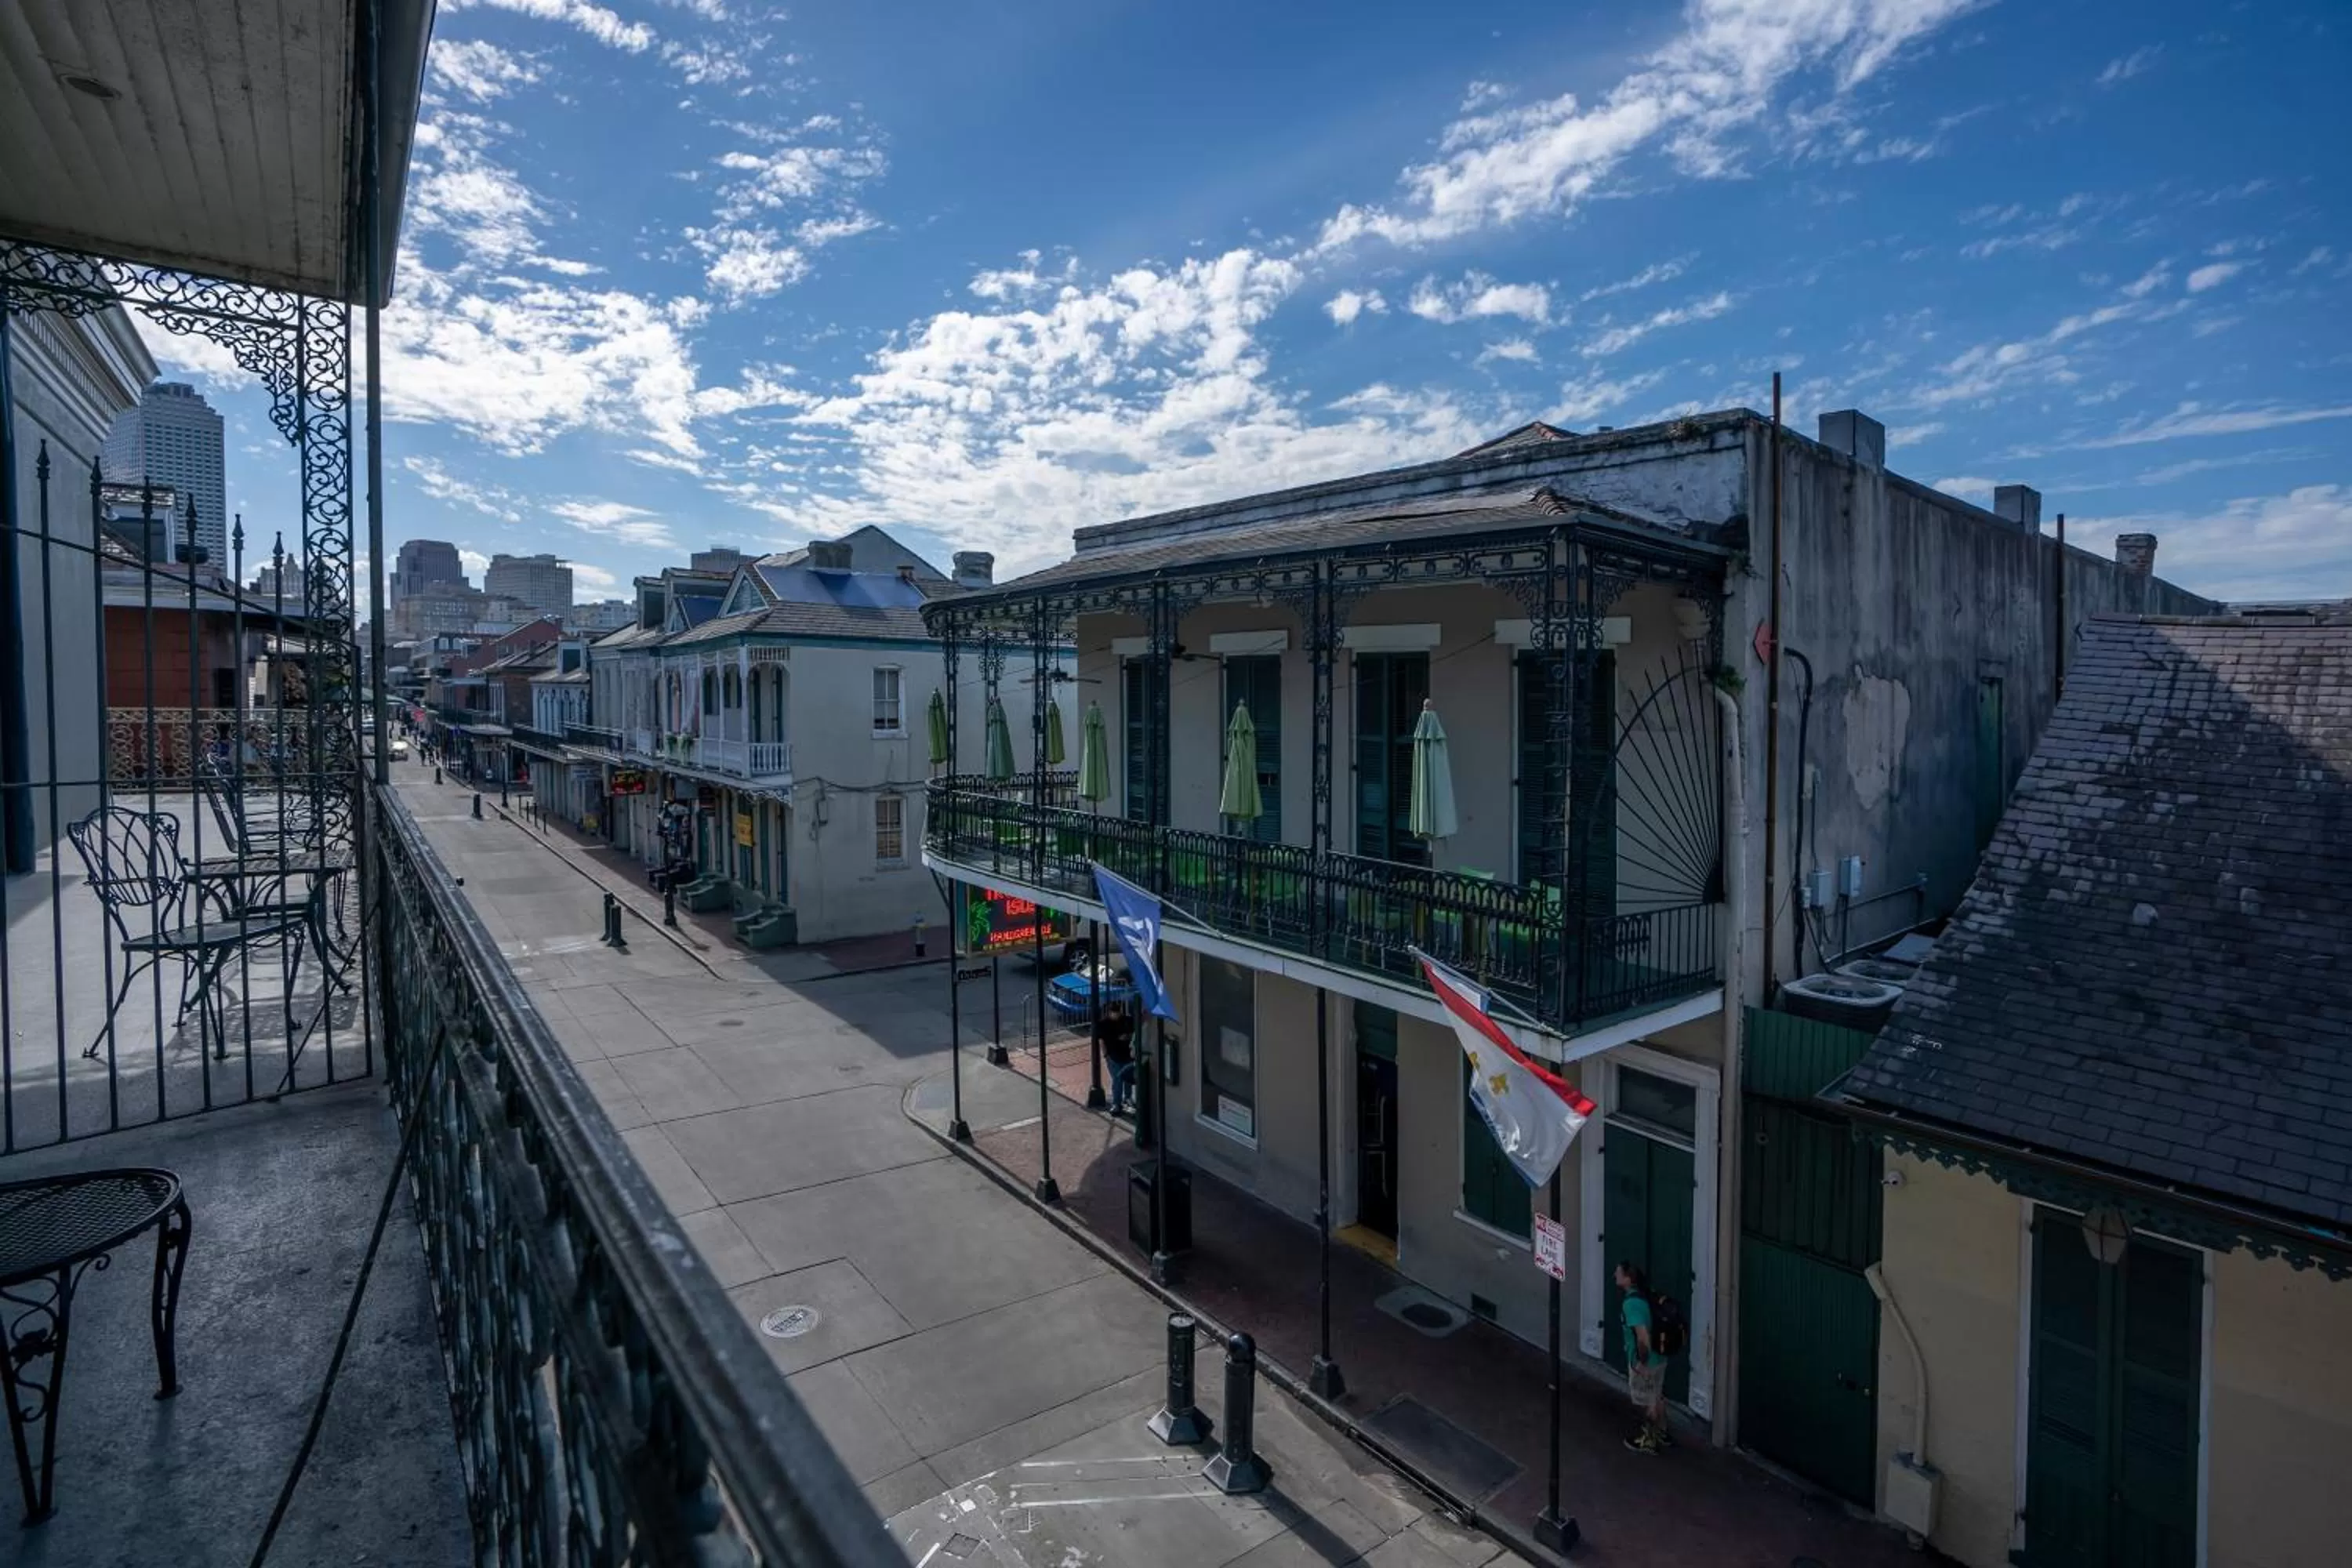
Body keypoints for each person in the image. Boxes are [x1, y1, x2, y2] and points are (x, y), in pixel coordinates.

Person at [1616, 1261, 1669, 1454]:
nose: (1615, 1276)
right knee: (1657, 1394)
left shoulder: (1632, 1304)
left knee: (1649, 1401)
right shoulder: (1647, 1294)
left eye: (1619, 1273)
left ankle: (1648, 1439)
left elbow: (1643, 1337)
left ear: (1628, 1279)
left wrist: (1641, 1363)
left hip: (1648, 1361)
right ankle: (1662, 1433)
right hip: (1660, 1358)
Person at [1097, 1000, 1136, 1116]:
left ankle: (1127, 1098)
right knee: (1117, 1080)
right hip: (1113, 1056)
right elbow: (1102, 1040)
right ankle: (1116, 1103)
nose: (1116, 1014)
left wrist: (1127, 1038)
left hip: (1127, 1055)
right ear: (1109, 1012)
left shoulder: (1127, 1020)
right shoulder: (1104, 1024)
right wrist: (1105, 1055)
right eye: (1114, 1012)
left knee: (1128, 1079)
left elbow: (1134, 1033)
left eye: (1118, 1012)